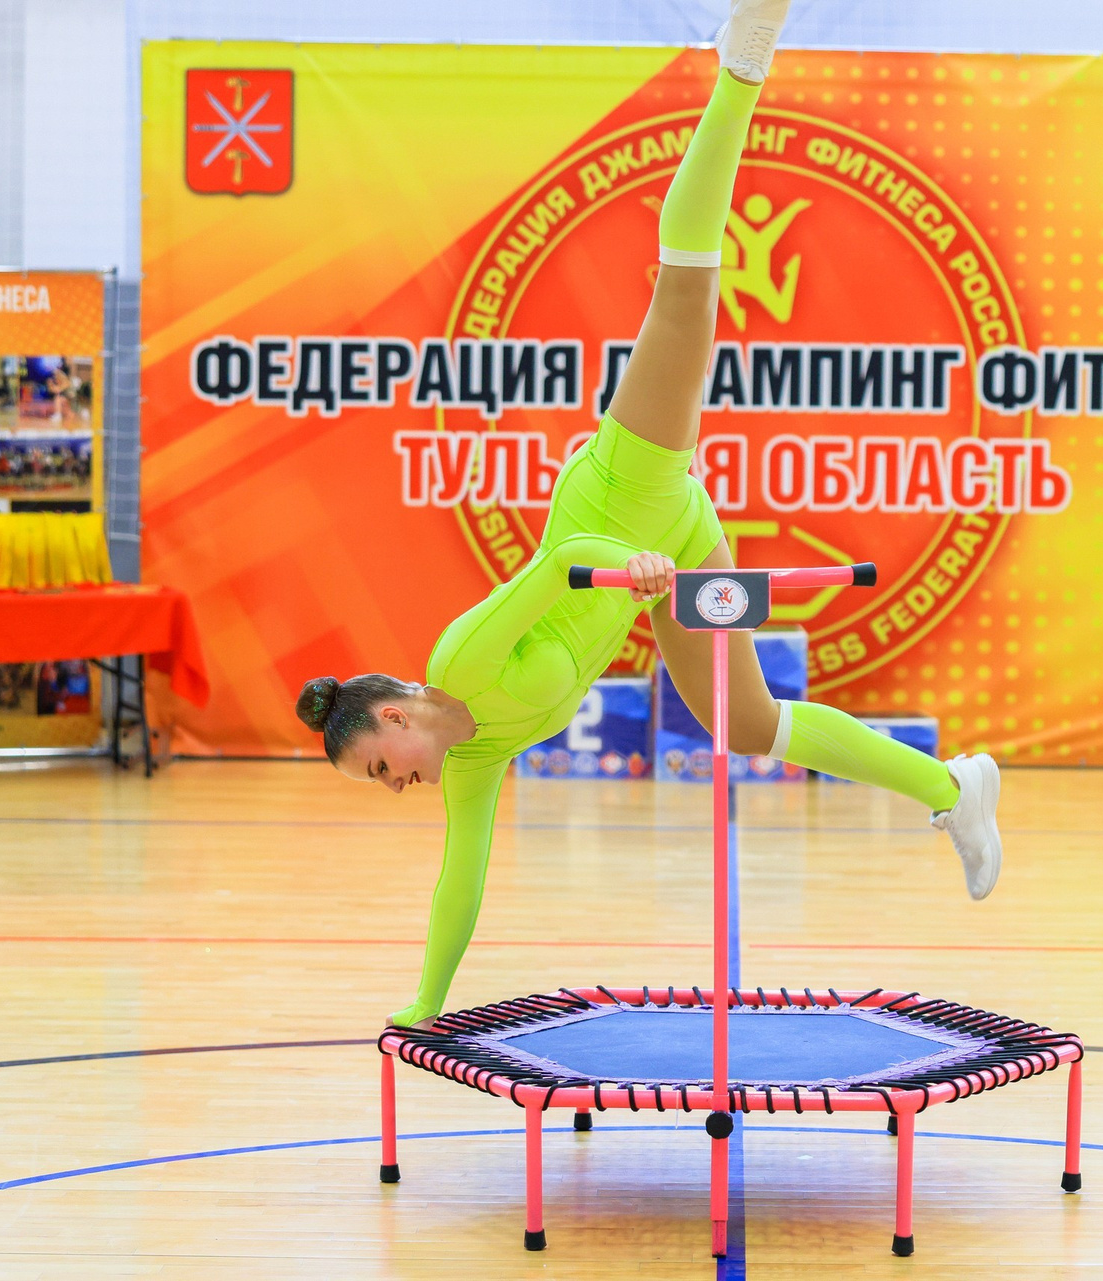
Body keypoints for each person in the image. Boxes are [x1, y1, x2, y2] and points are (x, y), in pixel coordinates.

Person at [295, 0, 1004, 1032]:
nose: (390, 786)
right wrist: (425, 1001)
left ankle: (740, 70)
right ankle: (954, 787)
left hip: (625, 489)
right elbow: (462, 877)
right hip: (669, 545)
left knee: (684, 289)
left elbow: (556, 565)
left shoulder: (460, 659)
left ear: (394, 718)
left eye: (377, 768)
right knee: (747, 723)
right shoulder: (475, 760)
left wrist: (626, 566)